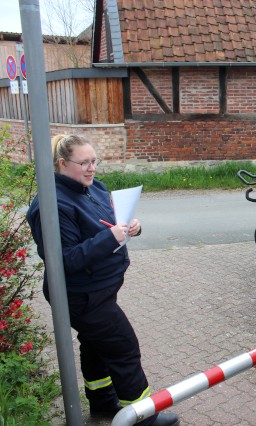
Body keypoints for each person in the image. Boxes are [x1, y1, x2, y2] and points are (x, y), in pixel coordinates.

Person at [27, 135, 179, 426]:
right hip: (82, 295)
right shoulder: (52, 205)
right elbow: (65, 260)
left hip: (101, 288)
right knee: (124, 347)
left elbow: (111, 221)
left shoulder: (93, 188)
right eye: (83, 163)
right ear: (62, 164)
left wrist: (131, 225)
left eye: (94, 161)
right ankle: (142, 418)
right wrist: (109, 238)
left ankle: (102, 403)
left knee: (95, 343)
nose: (91, 168)